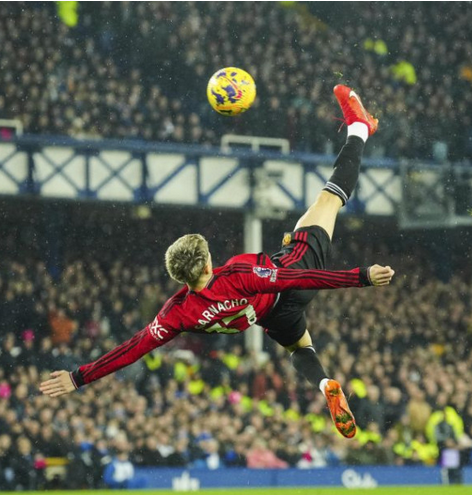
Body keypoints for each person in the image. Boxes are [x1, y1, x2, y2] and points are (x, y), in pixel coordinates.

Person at [40, 85, 395, 439]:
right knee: (329, 199)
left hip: (271, 317)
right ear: (208, 263)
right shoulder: (237, 274)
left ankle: (323, 383)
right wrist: (361, 276)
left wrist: (78, 377)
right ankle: (359, 128)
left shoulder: (177, 313)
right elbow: (293, 279)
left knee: (300, 347)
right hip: (291, 277)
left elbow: (131, 350)